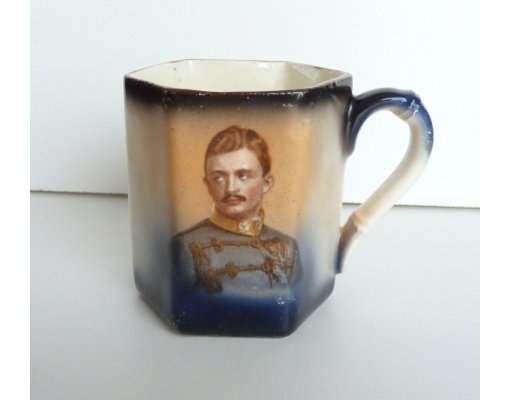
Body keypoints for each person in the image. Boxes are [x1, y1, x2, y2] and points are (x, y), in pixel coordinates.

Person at [172, 125, 302, 297]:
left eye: (243, 176)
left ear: (266, 183)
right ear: (208, 185)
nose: (231, 188)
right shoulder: (188, 246)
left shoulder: (288, 247)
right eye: (219, 178)